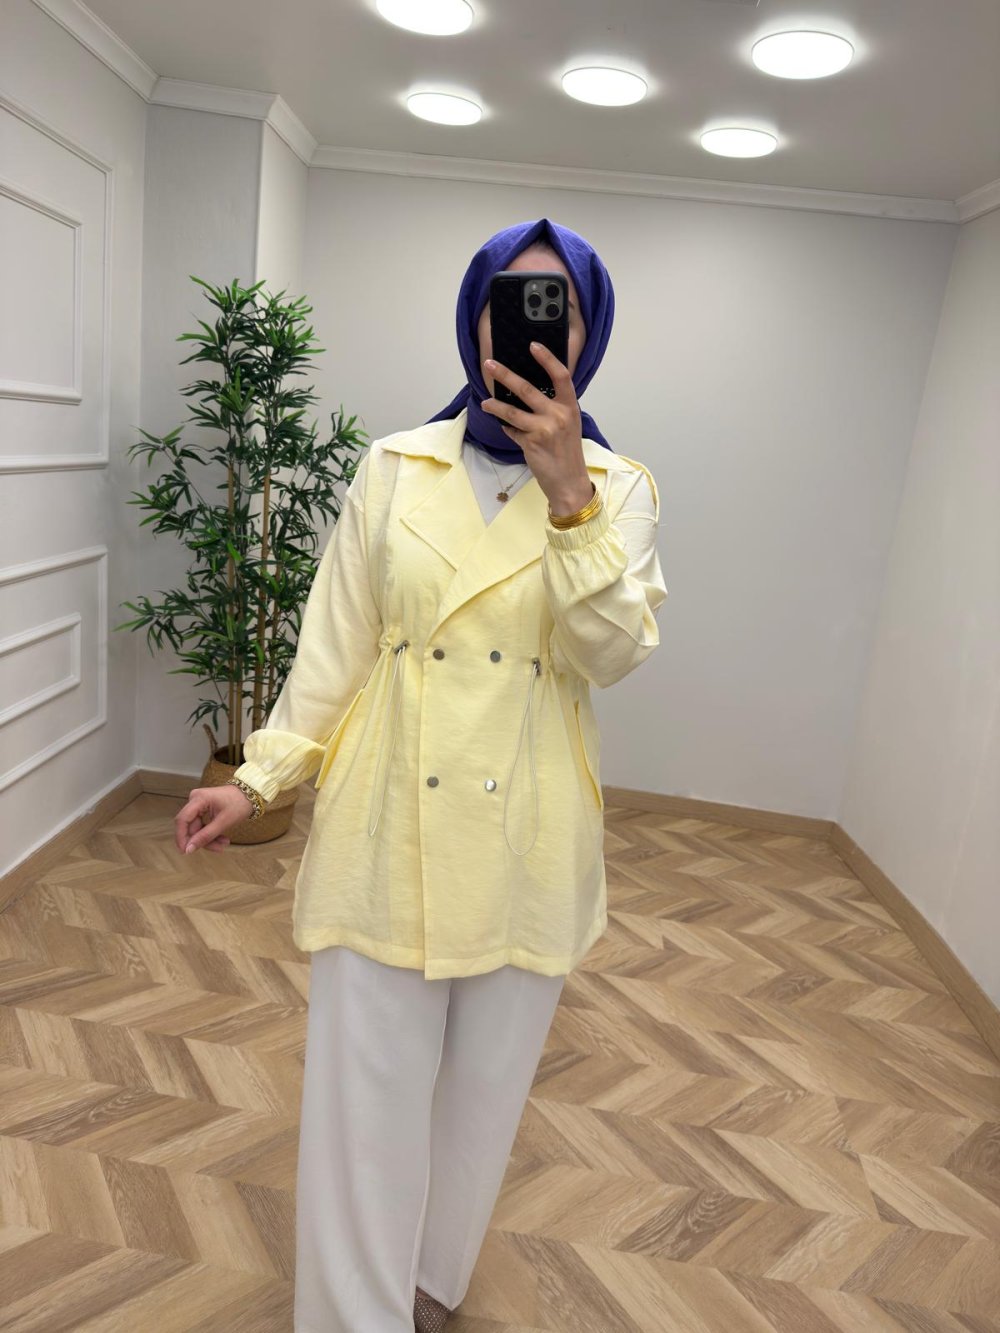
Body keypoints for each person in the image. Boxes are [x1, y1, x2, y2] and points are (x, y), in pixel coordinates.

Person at [174, 217, 668, 1333]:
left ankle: (431, 1281)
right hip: (385, 815)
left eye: (555, 307)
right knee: (364, 1105)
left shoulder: (622, 487)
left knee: (483, 1096)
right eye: (508, 300)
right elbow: (335, 650)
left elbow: (610, 654)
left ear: (586, 334)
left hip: (529, 830)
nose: (530, 325)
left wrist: (570, 498)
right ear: (473, 318)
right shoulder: (394, 466)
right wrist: (258, 779)